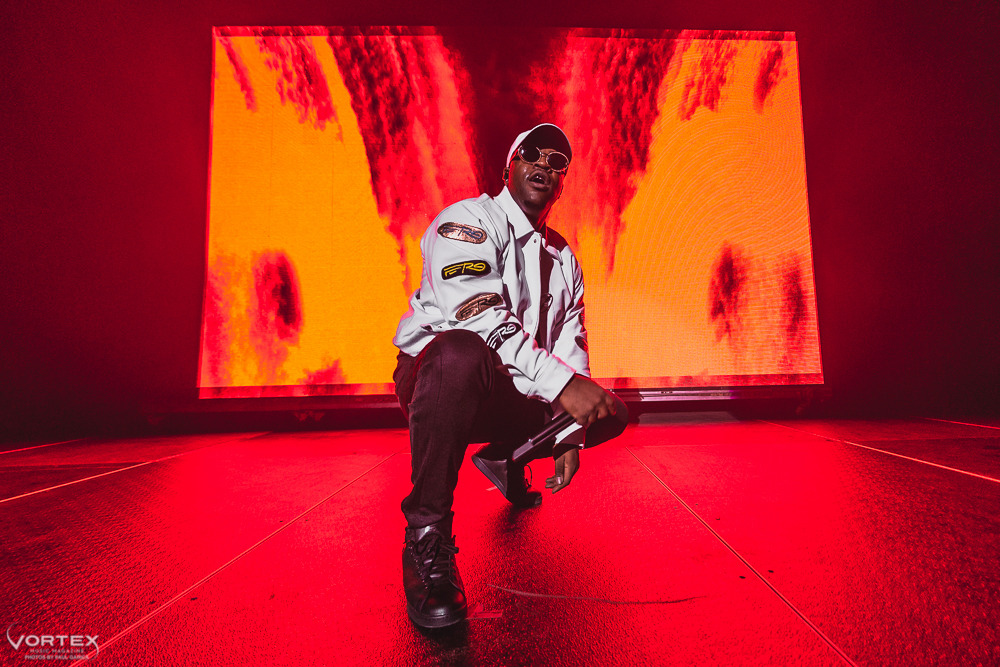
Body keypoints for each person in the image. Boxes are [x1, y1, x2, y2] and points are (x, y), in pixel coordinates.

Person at [392, 123, 629, 629]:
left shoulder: (564, 259)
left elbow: (571, 346)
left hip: (507, 390)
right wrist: (564, 390)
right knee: (461, 352)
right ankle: (426, 536)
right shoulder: (468, 221)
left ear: (562, 182)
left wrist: (568, 431)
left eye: (557, 161)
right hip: (437, 380)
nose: (545, 164)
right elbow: (477, 317)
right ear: (510, 166)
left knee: (611, 411)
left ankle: (506, 458)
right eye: (532, 153)